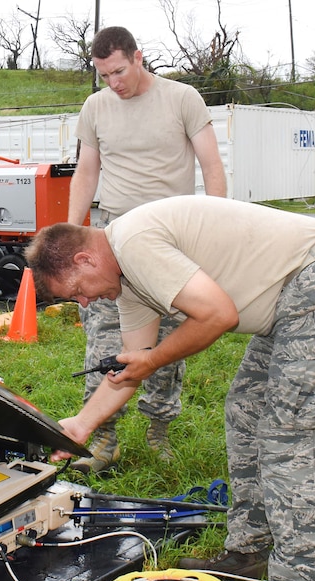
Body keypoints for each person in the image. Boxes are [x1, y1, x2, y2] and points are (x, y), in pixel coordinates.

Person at [25, 196, 315, 581]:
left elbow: (217, 316)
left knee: (297, 438)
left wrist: (153, 360)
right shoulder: (129, 282)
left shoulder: (134, 243)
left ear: (84, 257)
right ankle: (249, 552)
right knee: (247, 413)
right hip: (294, 298)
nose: (84, 300)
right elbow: (130, 370)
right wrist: (81, 424)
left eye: (77, 289)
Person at [65, 26, 226, 474]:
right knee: (105, 339)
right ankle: (103, 439)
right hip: (111, 238)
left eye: (118, 71)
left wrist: (213, 228)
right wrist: (70, 229)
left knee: (168, 338)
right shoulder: (95, 107)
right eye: (103, 75)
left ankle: (159, 429)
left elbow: (213, 167)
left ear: (139, 57)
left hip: (170, 237)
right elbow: (86, 172)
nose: (113, 82)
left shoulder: (183, 98)